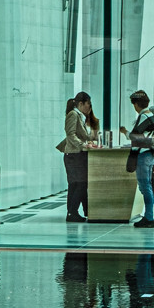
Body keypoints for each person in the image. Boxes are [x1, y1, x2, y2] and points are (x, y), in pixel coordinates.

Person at [119, 89, 154, 227]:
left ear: (136, 104)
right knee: (147, 186)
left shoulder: (144, 117)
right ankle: (149, 216)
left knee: (145, 187)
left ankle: (149, 218)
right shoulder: (151, 115)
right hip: (150, 154)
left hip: (143, 155)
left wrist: (125, 132)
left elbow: (135, 137)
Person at [60, 90, 98, 221]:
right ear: (81, 103)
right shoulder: (73, 114)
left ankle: (72, 212)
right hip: (73, 155)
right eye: (88, 104)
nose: (89, 107)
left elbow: (81, 135)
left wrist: (88, 141)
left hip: (77, 154)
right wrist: (83, 145)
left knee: (76, 184)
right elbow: (70, 134)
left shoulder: (79, 116)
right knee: (79, 183)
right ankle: (72, 212)